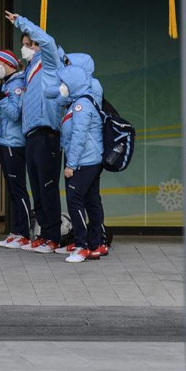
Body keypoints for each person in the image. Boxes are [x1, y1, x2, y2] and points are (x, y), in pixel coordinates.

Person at [6, 11, 66, 253]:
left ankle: (53, 236)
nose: (25, 49)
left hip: (47, 133)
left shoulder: (49, 61)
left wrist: (22, 23)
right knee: (38, 187)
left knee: (48, 186)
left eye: (29, 44)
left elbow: (48, 41)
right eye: (23, 45)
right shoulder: (29, 70)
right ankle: (43, 233)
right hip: (31, 135)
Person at [56, 55, 104, 263]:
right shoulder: (79, 100)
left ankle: (82, 245)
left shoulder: (81, 106)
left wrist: (70, 165)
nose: (61, 86)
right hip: (90, 160)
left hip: (83, 161)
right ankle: (97, 244)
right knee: (92, 200)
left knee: (75, 200)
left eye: (64, 83)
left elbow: (79, 137)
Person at [0, 49, 31, 249]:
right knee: (13, 190)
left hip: (14, 143)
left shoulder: (16, 86)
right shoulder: (7, 84)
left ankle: (24, 233)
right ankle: (16, 231)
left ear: (10, 65)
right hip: (5, 141)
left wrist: (1, 97)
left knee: (18, 189)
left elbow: (15, 114)